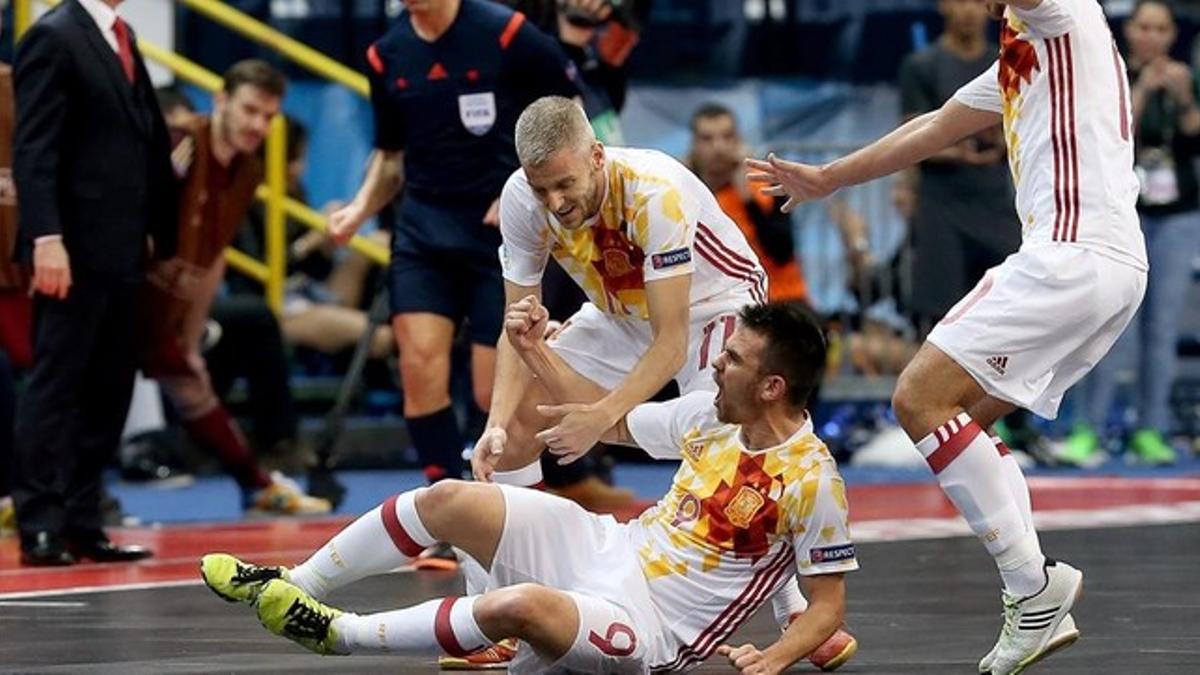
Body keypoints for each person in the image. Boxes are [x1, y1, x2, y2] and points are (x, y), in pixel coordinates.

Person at [747, 1, 1147, 672]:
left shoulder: (1061, 15)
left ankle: (1032, 584)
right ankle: (1032, 589)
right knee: (954, 424)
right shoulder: (1022, 56)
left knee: (917, 397)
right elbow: (933, 126)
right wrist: (828, 177)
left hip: (1071, 255)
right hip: (1107, 266)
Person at [199, 302, 859, 674]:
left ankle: (335, 632)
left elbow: (827, 607)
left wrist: (774, 658)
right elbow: (616, 420)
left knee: (516, 606)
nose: (716, 361)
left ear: (773, 385)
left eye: (734, 358)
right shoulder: (711, 414)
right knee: (448, 499)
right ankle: (292, 584)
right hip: (608, 548)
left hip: (653, 628)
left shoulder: (811, 480)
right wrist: (539, 352)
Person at [472, 95, 854, 667]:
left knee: (725, 445)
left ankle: (795, 609)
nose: (554, 202)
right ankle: (505, 606)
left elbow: (671, 339)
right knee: (520, 425)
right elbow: (516, 327)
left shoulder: (655, 192)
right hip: (620, 312)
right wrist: (497, 424)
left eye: (565, 185)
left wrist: (602, 416)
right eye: (541, 187)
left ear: (597, 157)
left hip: (711, 303)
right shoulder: (524, 198)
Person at [326, 0, 581, 490]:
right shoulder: (387, 55)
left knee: (493, 388)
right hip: (424, 229)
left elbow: (568, 110)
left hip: (502, 233)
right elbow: (390, 155)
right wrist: (359, 209)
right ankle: (444, 497)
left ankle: (519, 494)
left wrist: (527, 189)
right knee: (418, 362)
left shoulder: (507, 33)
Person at [11, 0, 179, 566]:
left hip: (122, 249)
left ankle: (84, 519)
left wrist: (160, 230)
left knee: (109, 391)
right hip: (72, 248)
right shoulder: (53, 35)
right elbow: (34, 146)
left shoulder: (121, 34)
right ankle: (38, 521)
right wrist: (45, 238)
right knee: (56, 386)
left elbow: (140, 144)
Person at [139, 61, 330, 514]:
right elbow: (136, 221)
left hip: (170, 299)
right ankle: (42, 500)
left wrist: (188, 336)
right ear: (220, 101)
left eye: (268, 117)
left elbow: (215, 256)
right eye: (249, 110)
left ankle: (257, 483)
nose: (257, 125)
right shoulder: (182, 143)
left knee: (191, 382)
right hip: (124, 288)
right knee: (84, 394)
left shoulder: (247, 171)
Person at [1061, 0, 1200, 467]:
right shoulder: (1109, 72)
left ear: (1170, 34)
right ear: (1129, 30)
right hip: (1121, 215)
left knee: (1161, 330)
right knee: (1110, 327)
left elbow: (1193, 134)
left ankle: (1150, 429)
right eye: (1144, 26)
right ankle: (1089, 429)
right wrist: (1140, 90)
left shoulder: (1186, 75)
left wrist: (1182, 98)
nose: (1152, 36)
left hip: (1177, 215)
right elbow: (1111, 134)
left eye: (1161, 28)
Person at [898, 0, 1021, 339]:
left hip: (995, 204)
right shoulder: (921, 65)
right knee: (941, 323)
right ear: (943, 6)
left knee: (1007, 311)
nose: (968, 10)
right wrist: (959, 151)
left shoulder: (1007, 60)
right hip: (941, 208)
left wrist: (1001, 143)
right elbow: (912, 134)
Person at [687, 102, 809, 304]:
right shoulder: (684, 189)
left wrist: (748, 200)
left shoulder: (767, 182)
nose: (718, 147)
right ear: (694, 145)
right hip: (714, 303)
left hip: (780, 299)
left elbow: (782, 251)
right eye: (707, 139)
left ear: (739, 140)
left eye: (727, 136)